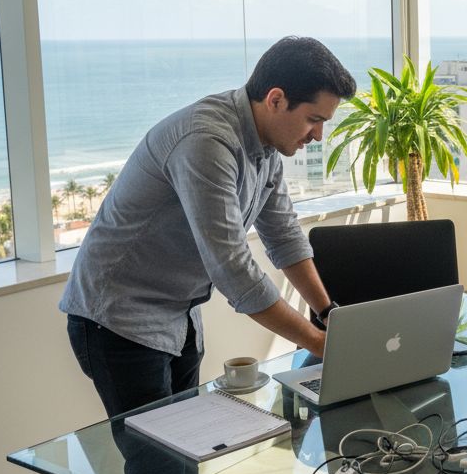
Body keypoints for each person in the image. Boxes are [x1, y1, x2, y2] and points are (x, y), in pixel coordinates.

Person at [62, 36, 355, 418]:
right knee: (156, 464)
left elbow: (283, 235)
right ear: (276, 99)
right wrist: (316, 341)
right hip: (118, 319)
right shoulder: (207, 141)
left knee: (184, 454)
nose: (317, 136)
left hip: (179, 314)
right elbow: (232, 266)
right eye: (314, 120)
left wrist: (328, 313)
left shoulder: (267, 148)